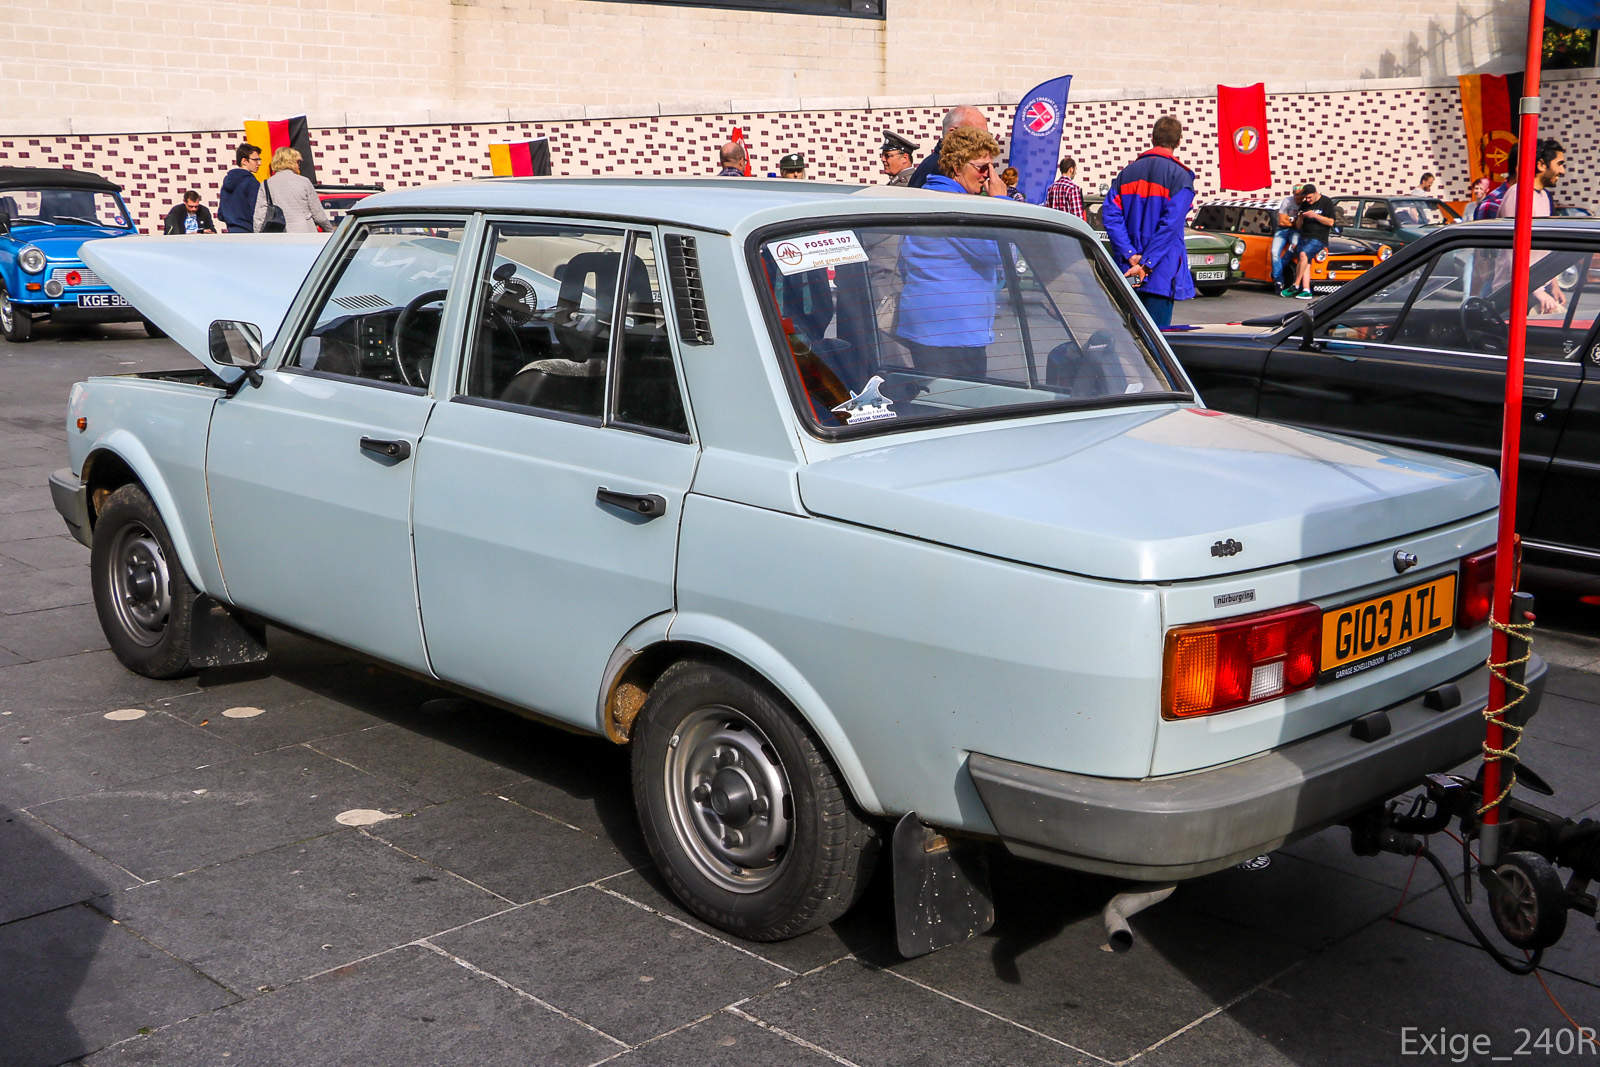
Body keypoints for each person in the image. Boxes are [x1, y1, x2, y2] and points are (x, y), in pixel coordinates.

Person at [895, 127, 1010, 379]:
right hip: (953, 331)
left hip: (932, 325)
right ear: (957, 168)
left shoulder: (929, 196)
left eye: (992, 168)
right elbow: (1002, 254)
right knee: (962, 407)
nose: (988, 176)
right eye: (982, 167)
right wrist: (1001, 203)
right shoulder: (956, 205)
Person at [1101, 115, 1195, 329]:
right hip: (1160, 273)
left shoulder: (1126, 174)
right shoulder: (1181, 178)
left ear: (1152, 138)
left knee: (1127, 339)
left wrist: (1131, 255)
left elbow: (1111, 216)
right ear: (1179, 141)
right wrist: (1147, 263)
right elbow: (1170, 226)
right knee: (1156, 345)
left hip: (1127, 270)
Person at [252, 147, 334, 233]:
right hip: (306, 233)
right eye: (297, 162)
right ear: (290, 162)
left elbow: (259, 216)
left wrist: (258, 235)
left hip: (279, 234)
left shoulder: (266, 184)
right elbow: (319, 215)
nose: (298, 166)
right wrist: (331, 232)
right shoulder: (304, 182)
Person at [908, 105, 990, 189]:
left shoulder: (936, 164)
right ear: (952, 134)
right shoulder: (941, 170)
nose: (984, 141)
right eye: (977, 135)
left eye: (987, 136)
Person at [1287, 184, 1337, 299]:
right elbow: (1299, 226)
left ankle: (1295, 284)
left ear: (1316, 193)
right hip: (1305, 236)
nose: (1308, 200)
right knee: (1305, 262)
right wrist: (1300, 218)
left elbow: (1330, 222)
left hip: (1319, 237)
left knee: (1303, 254)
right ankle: (1306, 290)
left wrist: (1315, 215)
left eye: (1310, 197)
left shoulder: (1326, 202)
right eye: (1306, 198)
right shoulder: (1305, 204)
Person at [1498, 138, 1565, 220]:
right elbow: (1511, 230)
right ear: (1541, 165)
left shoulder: (1545, 195)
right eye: (1559, 164)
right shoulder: (1518, 194)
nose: (1562, 171)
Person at [217, 142, 262, 233]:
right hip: (248, 232)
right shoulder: (252, 182)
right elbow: (257, 212)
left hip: (231, 231)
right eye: (256, 160)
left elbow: (221, 214)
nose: (259, 163)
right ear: (244, 161)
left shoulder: (227, 180)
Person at [1270, 185, 1302, 292]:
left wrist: (1291, 220)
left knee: (1294, 247)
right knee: (1274, 252)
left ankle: (1278, 271)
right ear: (1293, 194)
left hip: (1296, 231)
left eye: (1301, 194)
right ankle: (1278, 280)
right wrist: (1296, 221)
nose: (1299, 197)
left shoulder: (1306, 203)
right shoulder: (1287, 201)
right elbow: (1281, 221)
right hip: (1282, 229)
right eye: (1297, 194)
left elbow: (1302, 225)